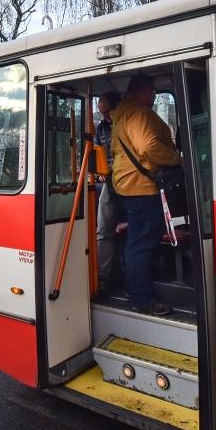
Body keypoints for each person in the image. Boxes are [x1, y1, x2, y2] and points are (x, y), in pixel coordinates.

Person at [110, 73, 181, 316]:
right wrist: (178, 159)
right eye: (152, 91)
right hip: (142, 186)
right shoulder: (140, 113)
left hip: (127, 184)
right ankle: (142, 298)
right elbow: (149, 147)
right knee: (142, 244)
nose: (153, 96)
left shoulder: (121, 114)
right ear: (146, 91)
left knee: (135, 241)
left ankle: (133, 289)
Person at [94, 91, 122, 294]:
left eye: (102, 99)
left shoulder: (125, 123)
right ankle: (103, 278)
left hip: (130, 179)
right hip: (110, 181)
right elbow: (98, 153)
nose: (98, 103)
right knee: (103, 230)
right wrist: (99, 172)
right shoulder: (101, 128)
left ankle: (128, 277)